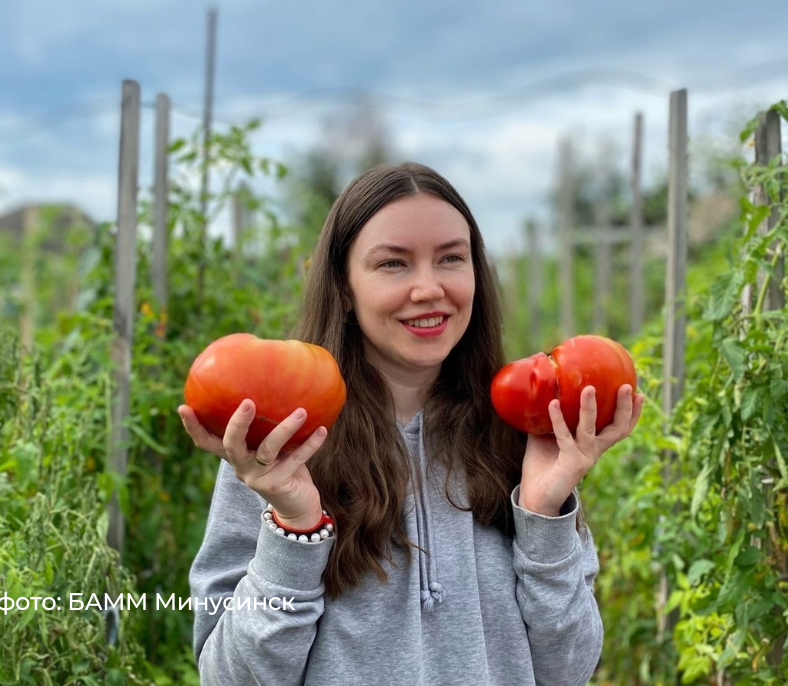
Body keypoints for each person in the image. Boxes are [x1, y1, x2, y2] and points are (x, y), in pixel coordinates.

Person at [181, 162, 644, 686]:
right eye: (393, 264)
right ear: (344, 286)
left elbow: (567, 670)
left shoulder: (522, 434)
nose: (429, 288)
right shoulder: (279, 446)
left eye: (451, 258)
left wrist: (542, 514)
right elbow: (229, 678)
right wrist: (294, 528)